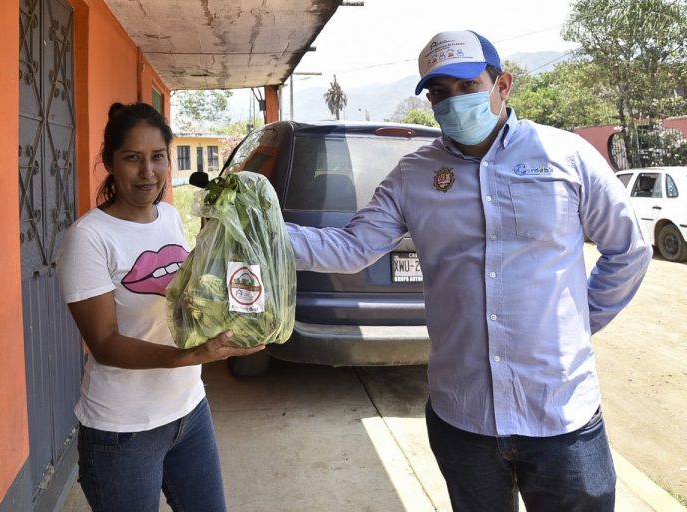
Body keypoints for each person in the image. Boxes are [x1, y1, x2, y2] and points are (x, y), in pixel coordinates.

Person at [285, 30, 651, 511]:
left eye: (467, 86)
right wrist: (254, 234)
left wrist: (581, 322)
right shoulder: (413, 174)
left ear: (504, 85)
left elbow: (628, 249)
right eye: (438, 92)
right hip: (464, 419)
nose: (452, 102)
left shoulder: (566, 155)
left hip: (561, 417)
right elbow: (350, 247)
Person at [57, 102, 264, 512]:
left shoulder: (169, 216)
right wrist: (189, 355)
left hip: (189, 410)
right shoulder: (89, 238)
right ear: (110, 162)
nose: (147, 172)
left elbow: (183, 303)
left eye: (157, 157)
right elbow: (105, 343)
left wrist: (233, 309)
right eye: (132, 158)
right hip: (123, 431)